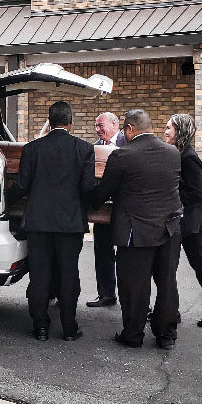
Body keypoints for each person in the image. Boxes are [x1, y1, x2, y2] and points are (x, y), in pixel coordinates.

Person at [90, 109, 183, 350]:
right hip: (169, 229)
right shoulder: (173, 153)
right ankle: (166, 335)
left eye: (124, 130)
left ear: (130, 129)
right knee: (167, 283)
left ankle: (133, 334)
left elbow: (103, 192)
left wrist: (84, 201)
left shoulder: (122, 156)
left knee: (134, 286)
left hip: (135, 231)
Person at [7, 101, 96, 342]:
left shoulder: (33, 149)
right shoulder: (84, 149)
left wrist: (2, 202)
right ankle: (69, 328)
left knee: (39, 275)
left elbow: (22, 186)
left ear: (50, 121)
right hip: (70, 224)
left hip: (38, 222)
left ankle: (40, 327)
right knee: (69, 275)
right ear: (70, 122)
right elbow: (88, 187)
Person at [163, 114, 202, 327]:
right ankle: (171, 311)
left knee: (201, 265)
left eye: (169, 128)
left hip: (190, 223)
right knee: (168, 267)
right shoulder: (177, 154)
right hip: (179, 220)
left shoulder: (189, 157)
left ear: (180, 131)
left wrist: (170, 193)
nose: (165, 132)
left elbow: (196, 195)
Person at [87, 112, 128, 308]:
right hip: (101, 211)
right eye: (96, 126)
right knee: (102, 252)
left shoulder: (126, 143)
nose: (98, 129)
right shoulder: (95, 147)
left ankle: (131, 298)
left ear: (114, 124)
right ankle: (106, 294)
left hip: (123, 210)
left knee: (126, 257)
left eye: (100, 125)